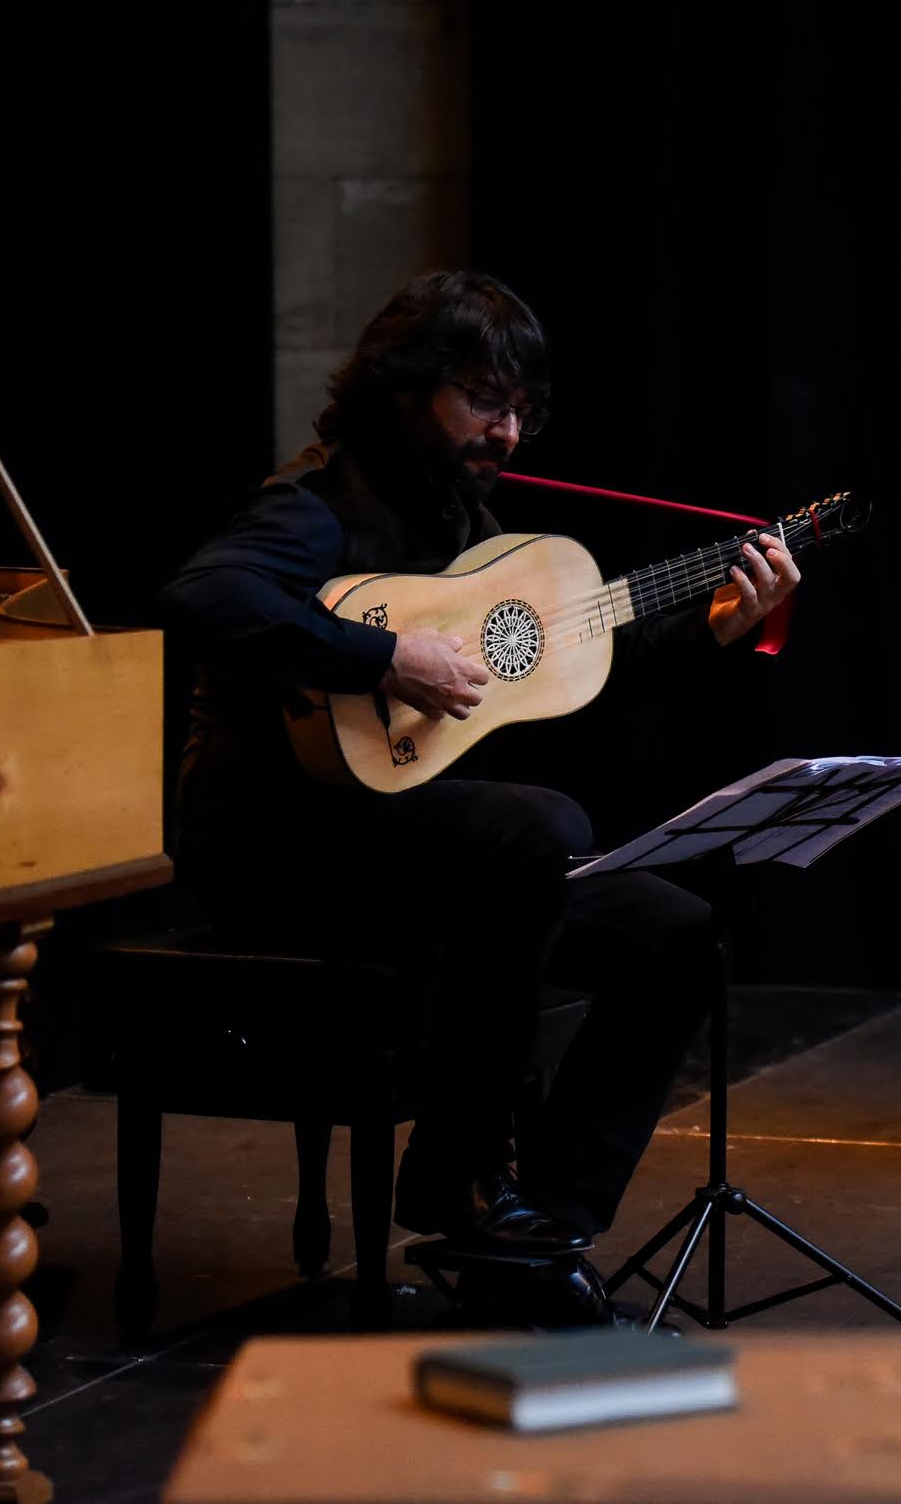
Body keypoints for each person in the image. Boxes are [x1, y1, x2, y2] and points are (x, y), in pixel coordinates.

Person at [162, 270, 799, 1321]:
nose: (505, 431)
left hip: (400, 847)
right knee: (539, 827)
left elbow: (559, 669)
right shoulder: (313, 504)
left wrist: (715, 628)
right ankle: (456, 1173)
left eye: (520, 411)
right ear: (405, 386)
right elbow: (200, 596)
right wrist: (380, 655)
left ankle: (537, 1225)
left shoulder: (464, 519)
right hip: (279, 848)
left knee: (676, 932)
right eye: (483, 401)